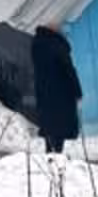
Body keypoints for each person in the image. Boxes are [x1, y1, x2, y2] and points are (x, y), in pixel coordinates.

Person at [30, 25, 82, 154]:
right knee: (60, 127)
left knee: (49, 126)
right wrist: (77, 90)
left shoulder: (37, 44)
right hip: (61, 92)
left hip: (44, 92)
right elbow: (69, 70)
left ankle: (50, 153)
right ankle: (57, 155)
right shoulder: (57, 45)